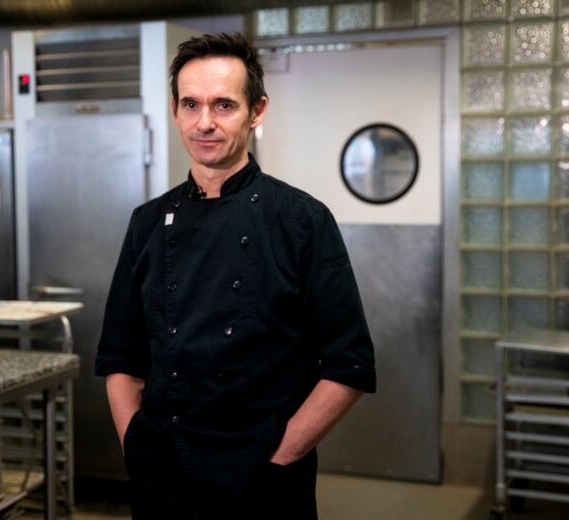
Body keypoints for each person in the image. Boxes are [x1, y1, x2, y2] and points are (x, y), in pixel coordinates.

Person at [95, 32, 376, 520]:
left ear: (257, 110)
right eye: (191, 105)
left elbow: (348, 366)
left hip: (261, 485)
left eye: (224, 105)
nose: (205, 123)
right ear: (175, 109)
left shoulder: (302, 221)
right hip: (162, 478)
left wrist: (283, 455)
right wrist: (136, 446)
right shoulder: (146, 223)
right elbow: (121, 356)